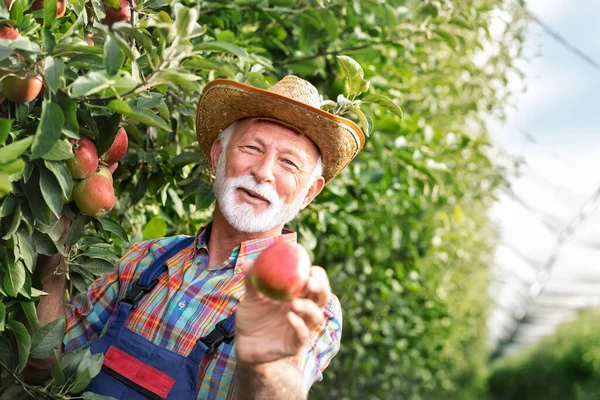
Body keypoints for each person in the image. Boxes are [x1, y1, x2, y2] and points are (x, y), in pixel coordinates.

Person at [27, 75, 365, 399]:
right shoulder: (146, 260)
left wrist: (266, 364)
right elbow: (44, 362)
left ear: (309, 193)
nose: (263, 172)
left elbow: (283, 388)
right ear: (218, 155)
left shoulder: (303, 303)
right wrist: (54, 244)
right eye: (252, 148)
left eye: (289, 164)